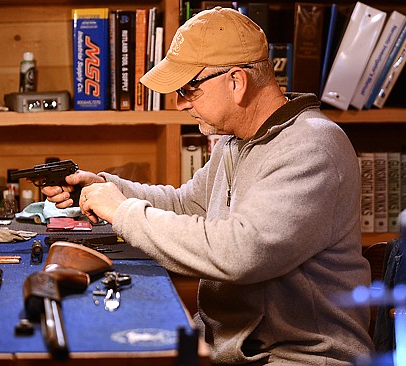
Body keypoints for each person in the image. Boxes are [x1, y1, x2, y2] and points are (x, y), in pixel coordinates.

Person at [44, 7, 373, 365]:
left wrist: (121, 211)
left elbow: (242, 253)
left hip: (299, 357)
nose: (181, 103)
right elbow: (188, 206)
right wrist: (105, 188)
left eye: (189, 89)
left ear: (236, 81)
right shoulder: (237, 141)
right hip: (229, 349)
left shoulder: (311, 147)